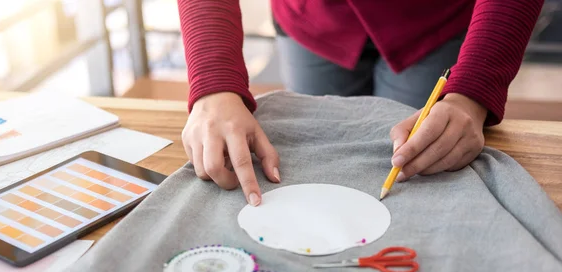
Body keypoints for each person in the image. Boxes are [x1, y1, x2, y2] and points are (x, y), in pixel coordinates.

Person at [177, 0, 544, 206]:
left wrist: (475, 87)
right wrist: (215, 83)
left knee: (429, 159)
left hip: (434, 20)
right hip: (311, 15)